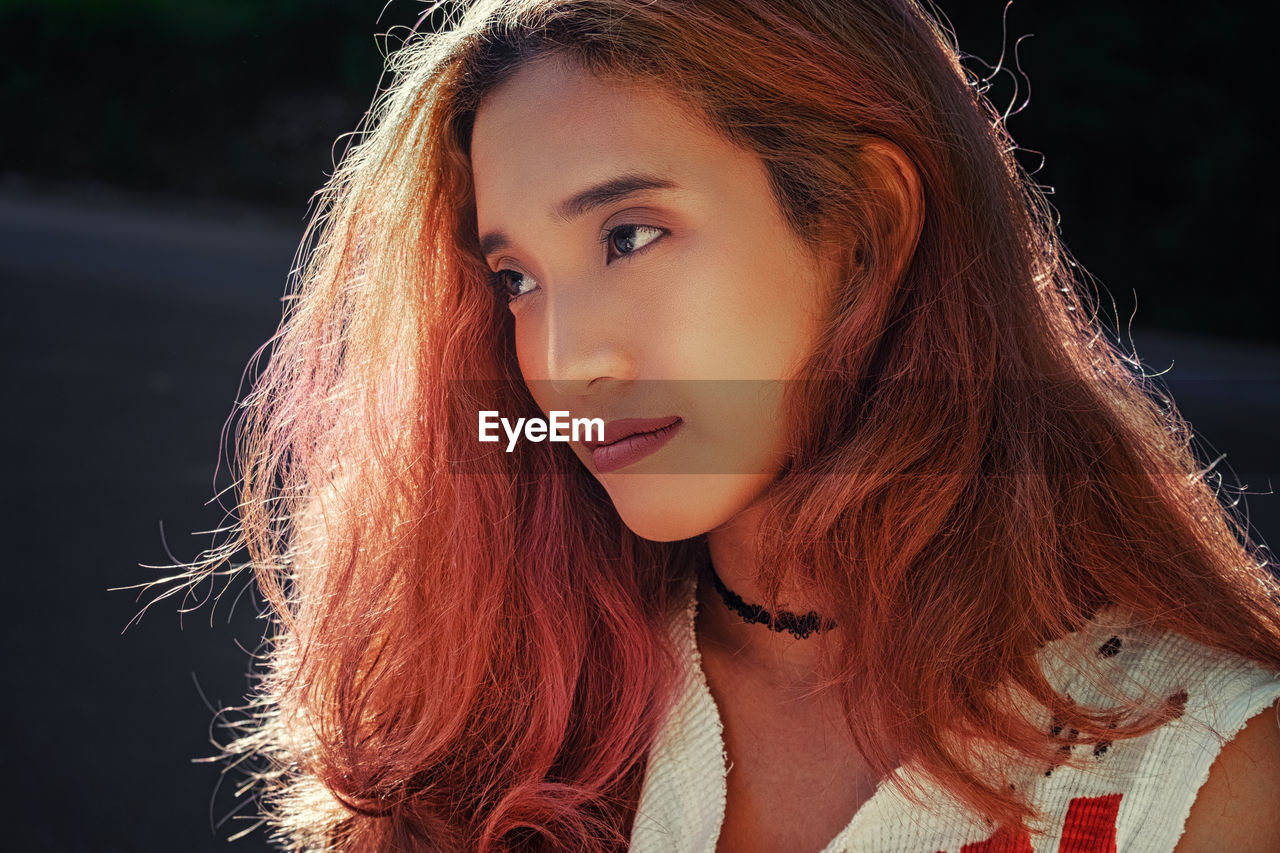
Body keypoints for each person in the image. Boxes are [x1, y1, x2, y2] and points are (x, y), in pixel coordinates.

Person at [181, 0, 1280, 849]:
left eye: (628, 234)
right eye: (514, 277)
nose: (561, 361)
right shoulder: (502, 706)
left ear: (866, 224)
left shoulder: (1198, 771)